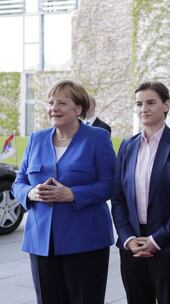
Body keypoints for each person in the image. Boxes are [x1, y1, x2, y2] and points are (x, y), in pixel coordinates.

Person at [12, 80, 116, 304]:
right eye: (50, 102)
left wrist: (73, 194)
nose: (53, 108)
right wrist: (30, 193)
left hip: (86, 241)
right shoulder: (36, 139)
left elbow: (110, 184)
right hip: (41, 242)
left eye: (61, 102)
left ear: (78, 109)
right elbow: (18, 182)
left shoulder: (97, 138)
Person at [111, 81, 170, 304]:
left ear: (166, 105)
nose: (144, 109)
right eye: (139, 104)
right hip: (132, 247)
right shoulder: (127, 146)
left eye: (151, 102)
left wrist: (157, 240)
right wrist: (128, 238)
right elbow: (118, 198)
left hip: (169, 246)